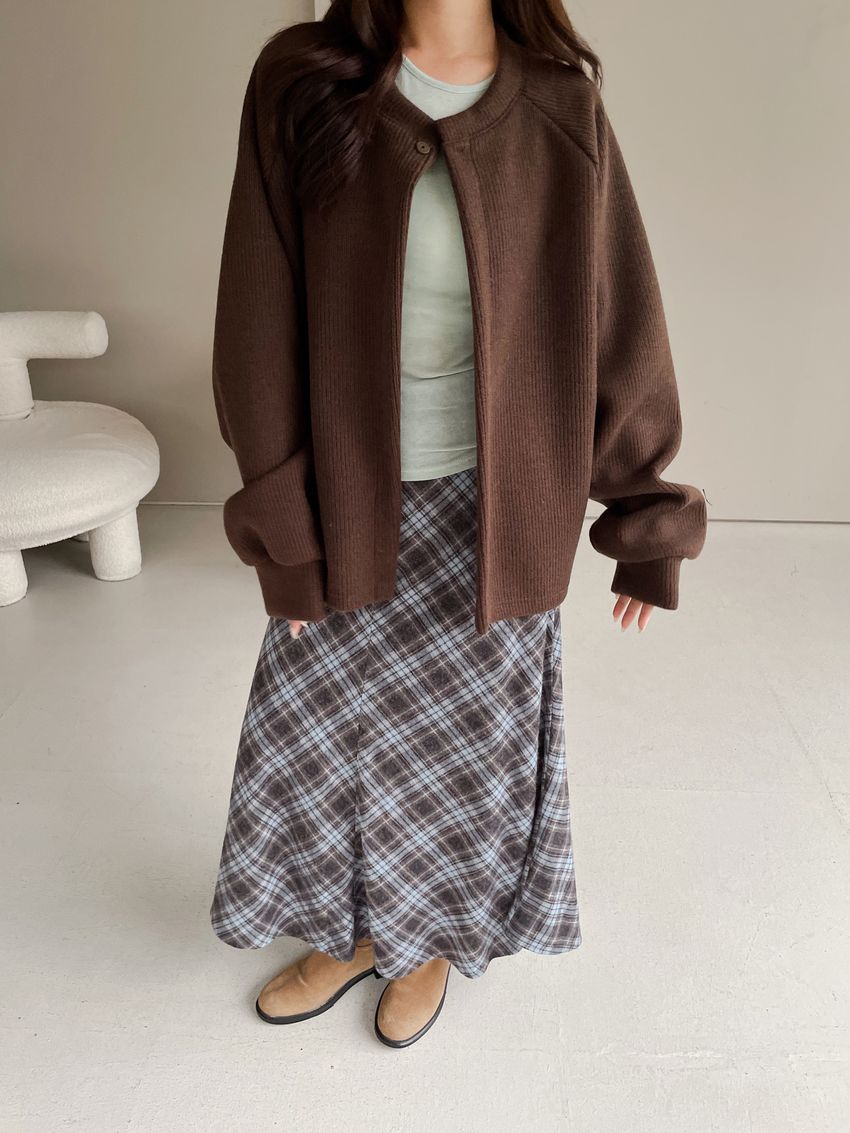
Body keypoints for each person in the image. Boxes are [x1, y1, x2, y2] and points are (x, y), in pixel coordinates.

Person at [209, 0, 708, 1050]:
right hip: (347, 491)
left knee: (464, 745)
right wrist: (285, 530)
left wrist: (645, 510)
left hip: (500, 502)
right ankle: (351, 931)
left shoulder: (561, 105)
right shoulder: (301, 82)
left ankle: (426, 937)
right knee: (322, 732)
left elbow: (617, 309)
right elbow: (256, 314)